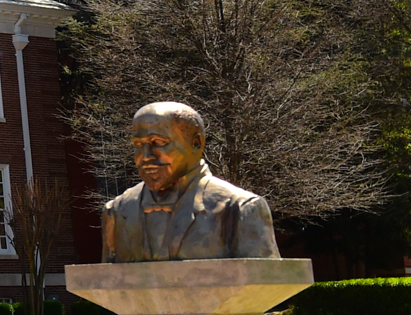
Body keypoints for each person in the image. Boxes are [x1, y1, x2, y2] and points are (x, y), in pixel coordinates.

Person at [101, 101, 279, 262]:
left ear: (196, 143)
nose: (146, 156)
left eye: (159, 142)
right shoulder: (117, 211)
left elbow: (265, 285)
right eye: (138, 145)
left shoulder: (239, 208)